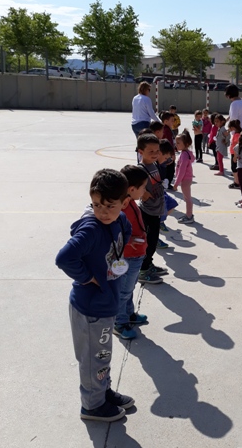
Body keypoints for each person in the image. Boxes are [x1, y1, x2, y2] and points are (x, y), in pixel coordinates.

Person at [55, 168, 134, 422]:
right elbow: (64, 258)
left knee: (102, 355)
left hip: (105, 303)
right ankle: (92, 405)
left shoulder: (119, 220)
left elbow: (127, 230)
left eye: (110, 206)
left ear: (124, 203)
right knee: (94, 358)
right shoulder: (91, 228)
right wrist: (87, 277)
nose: (103, 212)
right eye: (97, 205)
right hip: (91, 308)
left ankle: (102, 391)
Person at [114, 166, 163, 341]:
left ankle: (129, 314)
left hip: (136, 255)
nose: (145, 190)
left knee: (129, 288)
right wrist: (130, 240)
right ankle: (119, 323)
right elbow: (114, 233)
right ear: (132, 189)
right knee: (124, 291)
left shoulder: (131, 202)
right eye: (143, 187)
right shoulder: (122, 207)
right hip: (128, 255)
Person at [137, 135, 173, 282]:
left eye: (157, 151)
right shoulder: (141, 169)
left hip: (156, 210)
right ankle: (143, 271)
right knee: (149, 243)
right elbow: (134, 186)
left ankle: (149, 264)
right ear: (140, 151)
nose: (155, 154)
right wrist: (144, 193)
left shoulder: (154, 165)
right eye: (150, 151)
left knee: (153, 242)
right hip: (148, 211)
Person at [174, 129, 196, 224]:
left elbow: (182, 171)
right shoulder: (186, 153)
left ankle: (189, 216)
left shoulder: (184, 155)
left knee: (187, 199)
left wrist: (176, 183)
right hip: (187, 179)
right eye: (176, 143)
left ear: (186, 144)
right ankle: (188, 214)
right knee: (187, 198)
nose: (176, 145)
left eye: (178, 143)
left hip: (185, 179)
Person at [161, 112, 176, 188]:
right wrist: (172, 153)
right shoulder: (166, 130)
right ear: (166, 121)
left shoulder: (166, 129)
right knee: (170, 168)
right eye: (172, 120)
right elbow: (169, 142)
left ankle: (166, 182)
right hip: (168, 153)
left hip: (166, 152)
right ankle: (167, 182)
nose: (173, 122)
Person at [228, 119, 242, 189]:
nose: (229, 129)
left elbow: (238, 146)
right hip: (233, 153)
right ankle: (236, 181)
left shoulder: (238, 135)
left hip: (235, 154)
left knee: (234, 168)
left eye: (230, 128)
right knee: (234, 167)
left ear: (233, 127)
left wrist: (235, 156)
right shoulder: (236, 134)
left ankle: (237, 183)